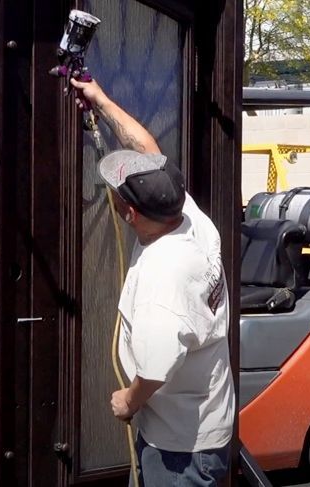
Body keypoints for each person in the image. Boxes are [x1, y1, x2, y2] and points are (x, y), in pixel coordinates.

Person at [71, 77, 235, 486]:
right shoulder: (189, 218)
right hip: (201, 424)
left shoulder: (164, 275)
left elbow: (158, 365)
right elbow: (149, 151)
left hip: (181, 451)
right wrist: (101, 101)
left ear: (130, 213)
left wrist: (128, 400)